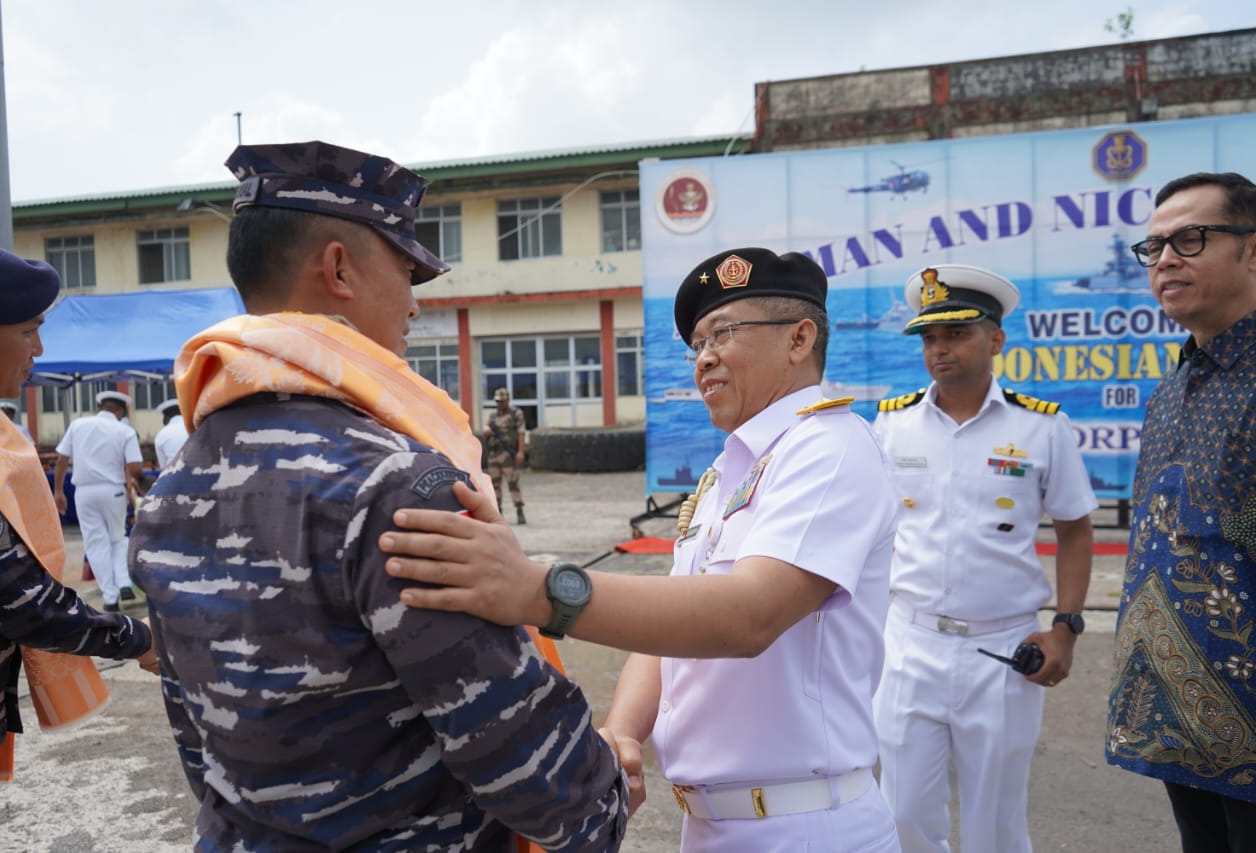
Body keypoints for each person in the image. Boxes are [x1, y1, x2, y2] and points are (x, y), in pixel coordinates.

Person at [128, 140, 629, 852]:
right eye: (406, 270)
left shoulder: (169, 488)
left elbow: (196, 735)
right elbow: (512, 746)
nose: (415, 306)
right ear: (338, 268)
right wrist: (604, 800)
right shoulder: (394, 483)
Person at [379, 247, 903, 852]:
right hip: (712, 825)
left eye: (723, 333)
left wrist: (541, 590)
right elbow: (671, 631)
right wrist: (624, 731)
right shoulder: (730, 471)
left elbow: (750, 615)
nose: (704, 358)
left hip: (806, 827)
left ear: (799, 338)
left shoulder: (829, 449)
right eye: (697, 344)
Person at [870, 264, 1097, 853]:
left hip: (1000, 651)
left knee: (994, 822)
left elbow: (1074, 529)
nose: (939, 349)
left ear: (996, 339)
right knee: (903, 814)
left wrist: (1067, 627)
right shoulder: (891, 426)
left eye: (956, 334)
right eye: (928, 337)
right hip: (908, 644)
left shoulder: (1041, 428)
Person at [0, 240, 157, 846]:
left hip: (85, 496)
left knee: (103, 553)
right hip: (108, 498)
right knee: (108, 553)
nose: (40, 350)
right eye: (28, 331)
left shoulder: (7, 427)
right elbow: (18, 598)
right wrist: (136, 638)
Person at [1106, 171, 1256, 853]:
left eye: (1190, 238)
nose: (1165, 259)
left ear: (1251, 250)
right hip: (1176, 722)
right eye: (1155, 246)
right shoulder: (1170, 388)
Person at [53, 390, 142, 612]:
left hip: (84, 492)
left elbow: (62, 459)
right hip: (114, 491)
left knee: (96, 543)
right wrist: (132, 490)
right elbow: (135, 468)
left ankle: (110, 597)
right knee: (118, 538)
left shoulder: (78, 425)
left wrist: (58, 491)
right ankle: (123, 583)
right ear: (120, 411)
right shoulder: (125, 430)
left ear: (99, 406)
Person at [484, 386, 527, 524]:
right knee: (494, 485)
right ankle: (498, 513)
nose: (499, 404)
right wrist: (487, 431)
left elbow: (521, 432)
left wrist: (520, 451)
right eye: (497, 402)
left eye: (502, 401)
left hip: (507, 454)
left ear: (507, 400)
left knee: (513, 483)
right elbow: (486, 429)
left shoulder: (516, 413)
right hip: (493, 454)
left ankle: (519, 510)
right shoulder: (493, 416)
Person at [152, 398, 187, 469]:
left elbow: (163, 467)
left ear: (166, 417)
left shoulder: (161, 435)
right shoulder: (195, 428)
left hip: (172, 476)